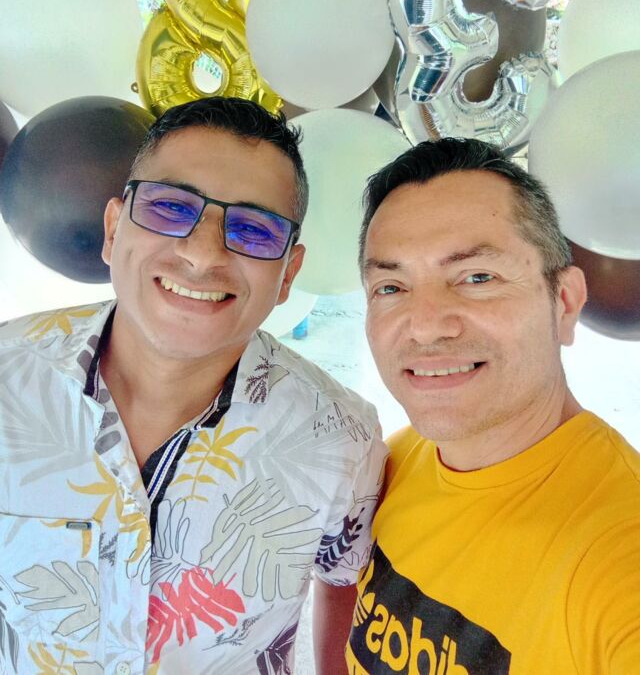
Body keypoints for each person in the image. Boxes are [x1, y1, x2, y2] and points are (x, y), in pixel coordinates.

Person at [0, 96, 387, 675]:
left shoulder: (343, 438)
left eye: (253, 229)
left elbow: (345, 580)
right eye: (169, 207)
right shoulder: (7, 376)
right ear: (113, 230)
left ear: (288, 274)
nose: (204, 254)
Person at [346, 138, 640, 674]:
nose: (426, 325)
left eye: (477, 277)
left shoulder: (618, 551)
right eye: (390, 286)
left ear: (564, 302)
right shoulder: (397, 461)